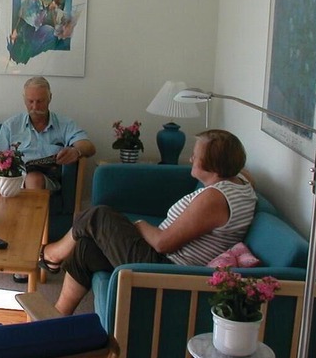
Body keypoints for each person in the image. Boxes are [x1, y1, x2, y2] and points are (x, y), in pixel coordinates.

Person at [39, 129, 257, 315]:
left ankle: (53, 254)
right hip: (163, 259)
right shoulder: (242, 181)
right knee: (87, 246)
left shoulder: (213, 199)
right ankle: (59, 316)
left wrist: (140, 225)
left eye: (195, 155)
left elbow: (164, 243)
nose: (191, 159)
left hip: (166, 268)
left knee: (97, 216)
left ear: (214, 166)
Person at [0, 76, 96, 192]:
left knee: (33, 178)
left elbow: (88, 146)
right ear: (24, 99)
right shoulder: (11, 125)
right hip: (9, 178)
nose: (35, 107)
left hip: (42, 179)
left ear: (50, 98)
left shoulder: (65, 124)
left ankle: (29, 223)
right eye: (30, 101)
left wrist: (76, 151)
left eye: (40, 101)